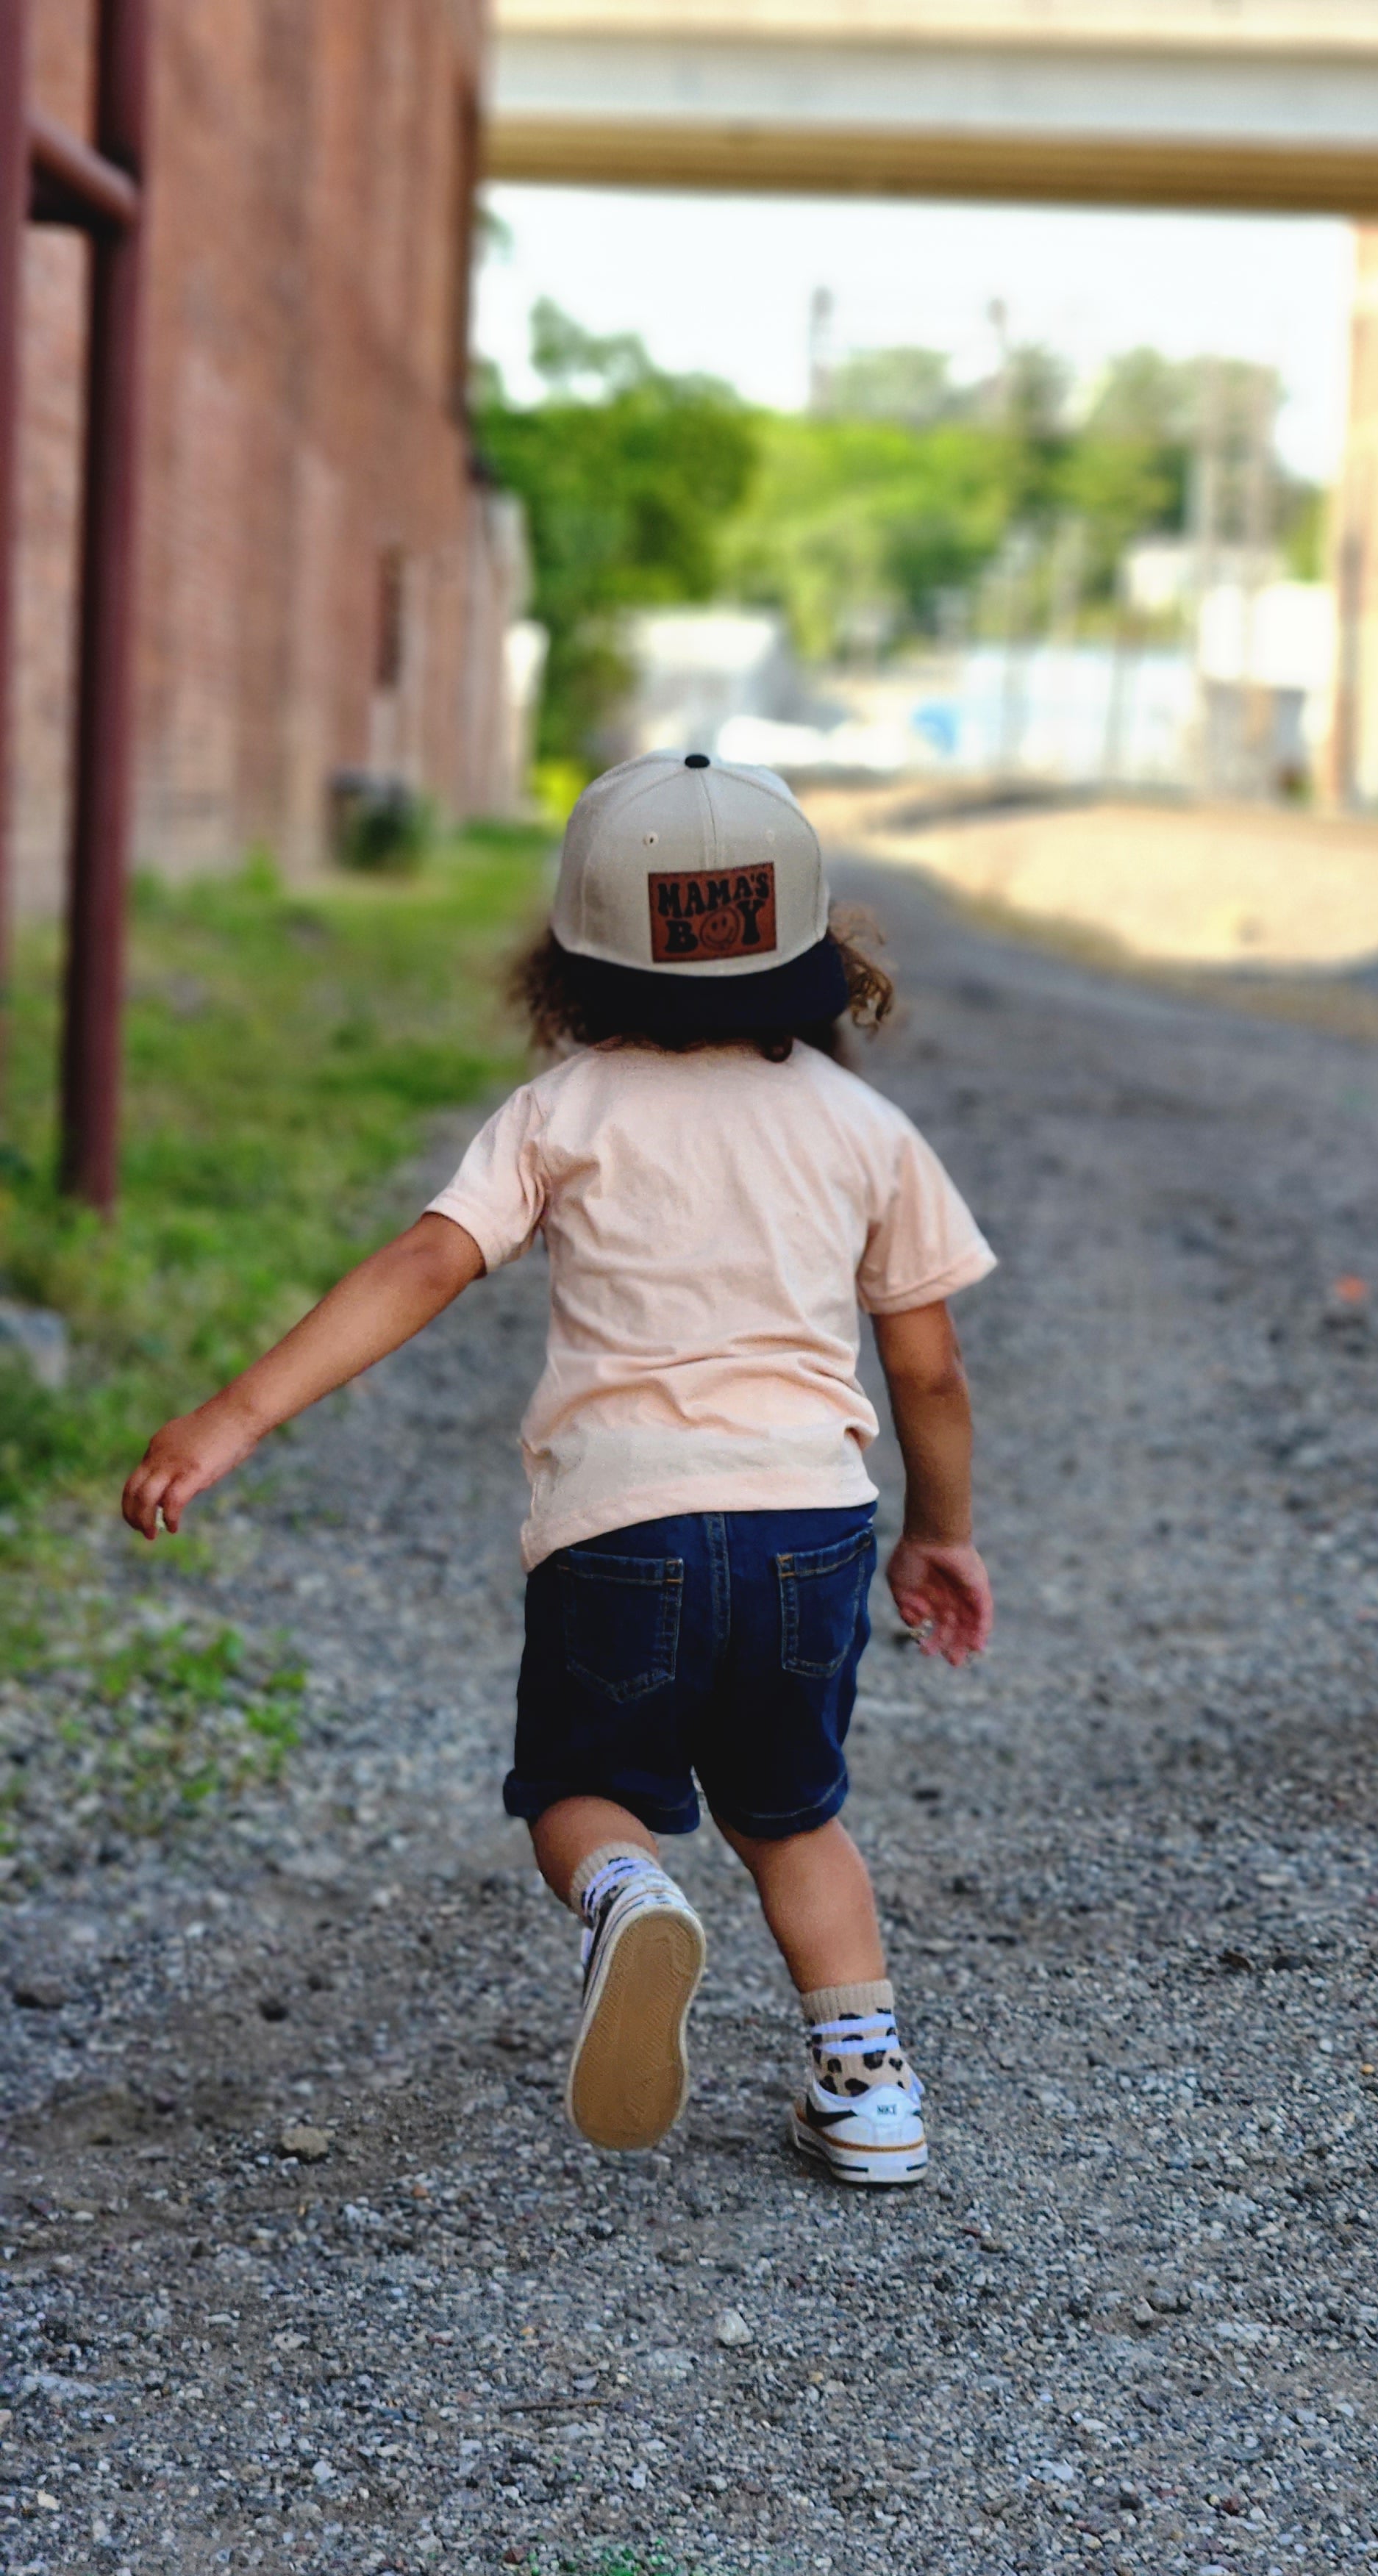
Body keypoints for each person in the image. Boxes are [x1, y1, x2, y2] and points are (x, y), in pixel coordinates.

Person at [121, 754, 995, 2185]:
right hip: (810, 1528)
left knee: (581, 1790)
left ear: (575, 956)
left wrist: (235, 1415)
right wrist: (938, 1532)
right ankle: (869, 2085)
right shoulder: (863, 1130)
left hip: (620, 1523)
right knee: (794, 1815)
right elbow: (930, 1370)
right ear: (817, 948)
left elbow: (424, 1263)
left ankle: (626, 1888)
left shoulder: (565, 1110)